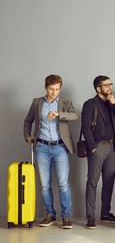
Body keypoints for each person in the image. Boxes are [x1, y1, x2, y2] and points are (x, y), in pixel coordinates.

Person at [24, 74, 78, 229]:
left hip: (60, 147)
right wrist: (28, 136)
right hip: (41, 147)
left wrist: (59, 114)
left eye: (57, 89)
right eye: (51, 89)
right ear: (45, 87)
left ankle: (66, 216)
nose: (54, 92)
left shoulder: (65, 102)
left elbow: (74, 115)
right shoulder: (37, 102)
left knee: (63, 184)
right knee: (45, 185)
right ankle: (50, 215)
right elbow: (28, 120)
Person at [81, 75, 115, 229]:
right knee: (93, 182)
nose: (110, 87)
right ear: (98, 88)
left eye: (110, 84)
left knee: (109, 183)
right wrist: (92, 146)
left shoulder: (111, 103)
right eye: (106, 85)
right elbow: (86, 127)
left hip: (112, 148)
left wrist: (114, 104)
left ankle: (105, 214)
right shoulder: (90, 104)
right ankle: (90, 217)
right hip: (98, 147)